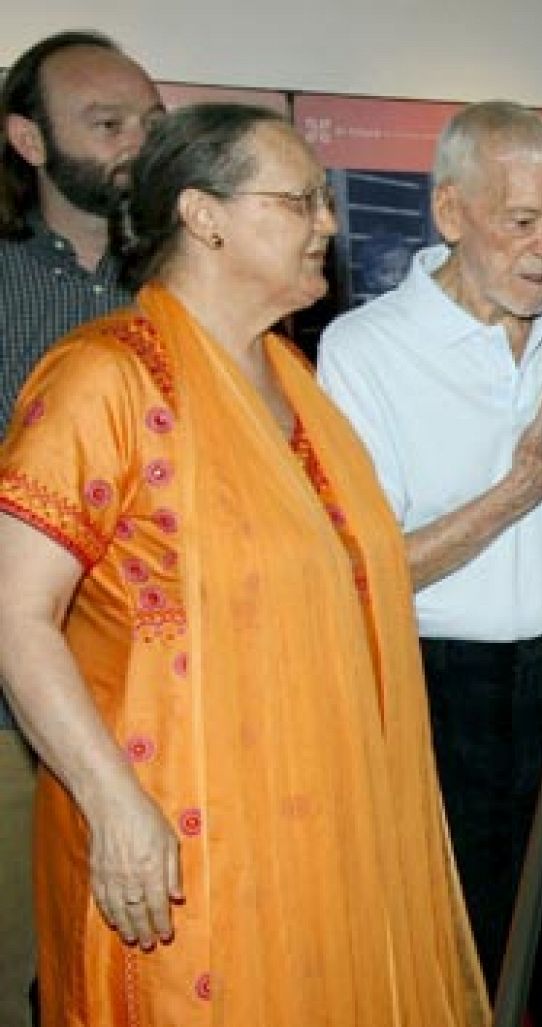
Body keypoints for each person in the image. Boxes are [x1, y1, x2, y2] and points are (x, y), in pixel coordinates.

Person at [0, 102, 487, 1026]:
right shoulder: (102, 379)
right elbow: (13, 611)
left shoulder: (293, 382)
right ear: (204, 215)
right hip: (169, 833)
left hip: (308, 829)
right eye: (300, 200)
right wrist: (112, 802)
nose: (329, 224)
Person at [317, 102, 542, 1020]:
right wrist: (517, 491)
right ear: (450, 213)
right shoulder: (364, 350)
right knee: (468, 955)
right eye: (521, 220)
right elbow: (369, 572)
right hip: (446, 693)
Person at [0, 31, 163, 1025]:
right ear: (28, 139)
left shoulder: (186, 286)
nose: (139, 145)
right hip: (13, 705)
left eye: (151, 122)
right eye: (108, 124)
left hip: (161, 694)